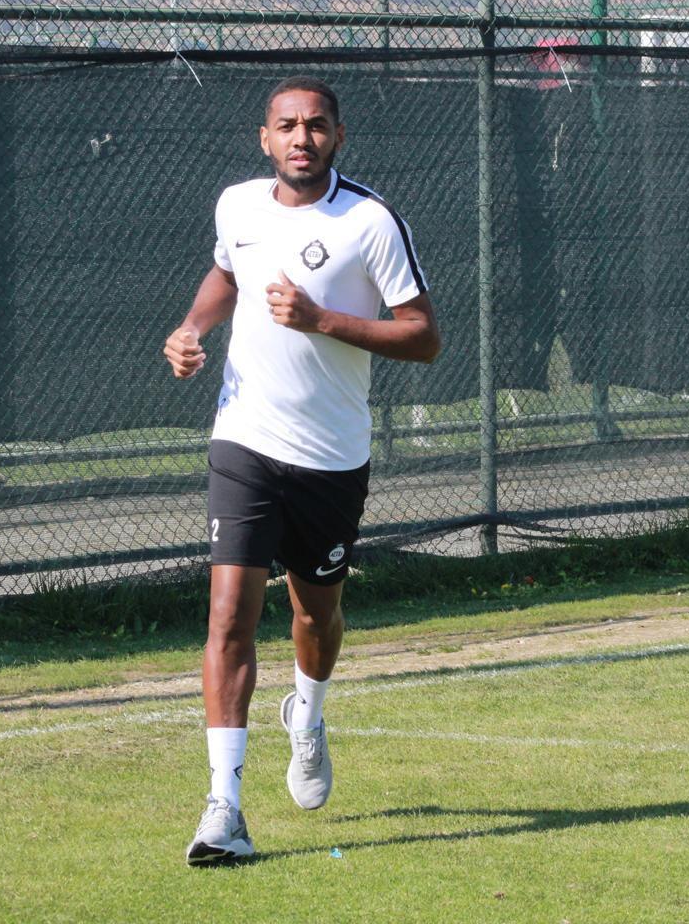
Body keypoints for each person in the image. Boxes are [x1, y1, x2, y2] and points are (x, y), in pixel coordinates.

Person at [163, 76, 441, 866]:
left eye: (316, 126)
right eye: (286, 126)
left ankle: (308, 716)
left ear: (338, 137)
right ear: (265, 138)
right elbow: (227, 274)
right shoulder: (238, 206)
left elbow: (423, 337)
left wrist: (322, 320)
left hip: (331, 459)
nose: (301, 138)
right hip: (244, 441)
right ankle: (224, 808)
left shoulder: (370, 222)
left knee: (316, 618)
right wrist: (191, 329)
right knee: (228, 616)